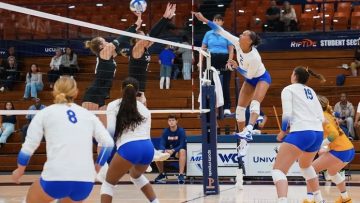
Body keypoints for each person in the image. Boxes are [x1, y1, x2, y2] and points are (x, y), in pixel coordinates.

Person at [11, 77, 114, 203]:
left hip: (56, 177)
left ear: (54, 92)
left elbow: (28, 147)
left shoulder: (45, 113)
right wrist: (98, 166)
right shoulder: (87, 114)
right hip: (85, 181)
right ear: (76, 93)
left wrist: (20, 170)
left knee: (33, 194)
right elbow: (108, 143)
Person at [193, 12, 271, 141]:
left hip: (261, 78)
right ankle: (242, 140)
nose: (241, 34)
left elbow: (249, 76)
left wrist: (236, 67)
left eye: (245, 34)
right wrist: (204, 19)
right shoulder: (237, 42)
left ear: (250, 41)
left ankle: (250, 129)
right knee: (239, 110)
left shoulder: (255, 58)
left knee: (255, 104)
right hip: (249, 79)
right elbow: (220, 30)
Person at [272, 66, 326, 203]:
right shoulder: (311, 91)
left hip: (302, 132)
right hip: (318, 133)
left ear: (295, 76)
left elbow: (287, 113)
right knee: (306, 167)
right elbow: (323, 118)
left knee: (278, 171)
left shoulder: (288, 89)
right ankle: (320, 200)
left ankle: (282, 201)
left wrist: (283, 131)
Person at [102, 77, 159, 203]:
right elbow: (147, 134)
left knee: (108, 184)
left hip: (129, 148)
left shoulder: (113, 105)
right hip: (147, 148)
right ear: (138, 92)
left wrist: (103, 155)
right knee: (136, 176)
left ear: (121, 90)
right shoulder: (144, 109)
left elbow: (110, 131)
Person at [82, 12, 143, 125]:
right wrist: (134, 26)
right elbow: (121, 38)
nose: (107, 42)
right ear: (101, 46)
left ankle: (104, 143)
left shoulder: (108, 55)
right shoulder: (104, 52)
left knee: (104, 129)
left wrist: (136, 27)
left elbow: (121, 44)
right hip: (94, 94)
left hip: (102, 94)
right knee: (86, 127)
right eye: (104, 41)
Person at [303, 95, 354, 203]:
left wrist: (321, 145)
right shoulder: (328, 113)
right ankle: (345, 198)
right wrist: (327, 148)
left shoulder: (323, 116)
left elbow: (334, 134)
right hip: (349, 149)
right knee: (332, 172)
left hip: (341, 151)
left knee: (310, 169)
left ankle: (311, 199)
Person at [128, 3, 176, 97]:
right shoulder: (137, 47)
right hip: (133, 86)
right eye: (142, 36)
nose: (145, 36)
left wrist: (167, 19)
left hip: (140, 84)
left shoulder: (144, 47)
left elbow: (155, 35)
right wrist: (164, 17)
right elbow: (152, 34)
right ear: (136, 39)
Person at [198, 14, 234, 115]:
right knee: (210, 84)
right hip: (211, 59)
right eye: (215, 20)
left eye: (219, 20)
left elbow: (231, 50)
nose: (217, 22)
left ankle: (226, 107)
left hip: (224, 59)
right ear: (212, 22)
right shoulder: (208, 34)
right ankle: (210, 107)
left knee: (225, 84)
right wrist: (200, 62)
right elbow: (203, 49)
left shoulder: (226, 34)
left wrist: (229, 62)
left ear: (222, 22)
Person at [154, 114, 187, 184]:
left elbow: (182, 144)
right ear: (167, 122)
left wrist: (173, 150)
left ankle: (181, 175)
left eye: (173, 120)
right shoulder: (165, 131)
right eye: (169, 120)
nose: (171, 122)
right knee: (158, 152)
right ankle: (161, 174)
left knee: (183, 151)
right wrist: (164, 150)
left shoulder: (181, 131)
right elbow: (162, 144)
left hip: (177, 152)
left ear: (176, 121)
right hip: (167, 152)